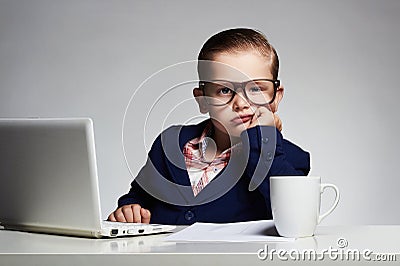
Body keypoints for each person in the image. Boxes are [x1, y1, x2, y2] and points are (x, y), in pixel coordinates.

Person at [108, 28, 310, 225]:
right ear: (202, 100)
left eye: (256, 88)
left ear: (275, 97)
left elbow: (295, 217)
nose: (240, 103)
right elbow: (140, 196)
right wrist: (130, 208)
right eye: (223, 90)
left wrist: (264, 138)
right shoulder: (170, 144)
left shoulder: (289, 159)